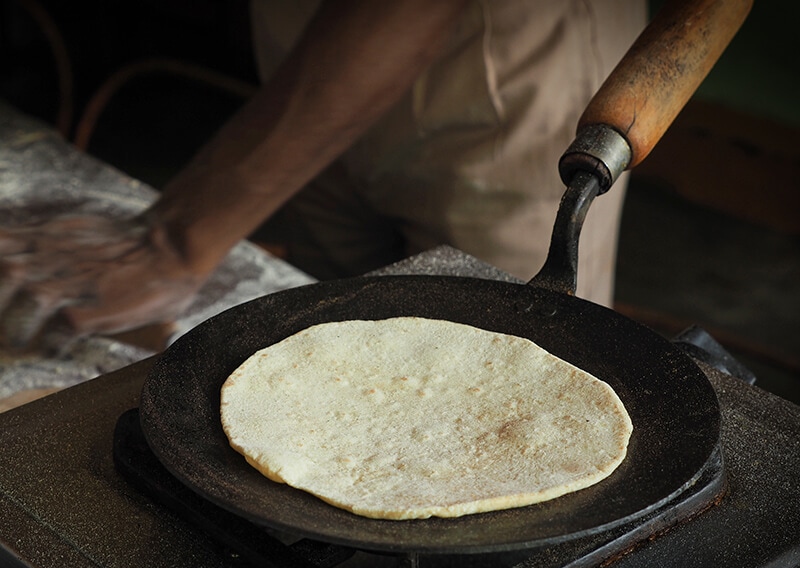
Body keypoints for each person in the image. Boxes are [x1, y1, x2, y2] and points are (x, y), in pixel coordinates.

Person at [0, 0, 646, 349]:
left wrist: (173, 240)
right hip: (314, 53)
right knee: (330, 342)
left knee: (503, 370)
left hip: (500, 73)